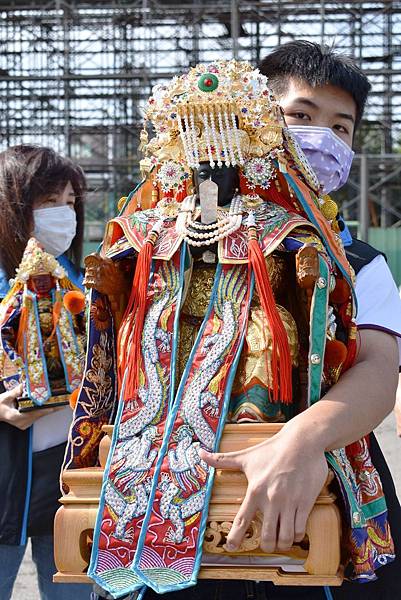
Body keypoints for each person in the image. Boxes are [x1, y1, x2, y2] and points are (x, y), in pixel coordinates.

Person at [64, 55, 400, 600]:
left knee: (275, 339)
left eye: (341, 128)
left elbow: (378, 373)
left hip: (313, 460)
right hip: (162, 465)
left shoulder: (356, 260)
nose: (321, 138)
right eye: (302, 116)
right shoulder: (156, 230)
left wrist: (300, 442)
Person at [0, 145, 90, 599]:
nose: (65, 215)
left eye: (71, 203)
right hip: (7, 476)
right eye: (50, 202)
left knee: (70, 587)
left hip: (69, 470)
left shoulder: (78, 279)